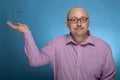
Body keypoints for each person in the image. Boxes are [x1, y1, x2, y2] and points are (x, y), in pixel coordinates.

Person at [7, 7, 116, 80]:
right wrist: (26, 33)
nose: (78, 23)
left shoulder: (104, 47)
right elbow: (35, 61)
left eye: (83, 19)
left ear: (88, 22)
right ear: (67, 24)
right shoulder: (56, 43)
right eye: (73, 20)